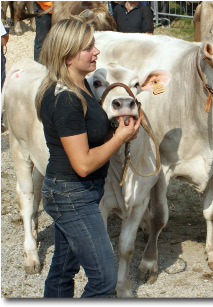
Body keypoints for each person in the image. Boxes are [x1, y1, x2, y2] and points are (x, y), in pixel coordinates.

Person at [35, 17, 140, 297]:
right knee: (105, 281)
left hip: (78, 192)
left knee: (62, 269)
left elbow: (90, 135)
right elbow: (82, 164)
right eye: (88, 48)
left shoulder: (82, 87)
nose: (96, 52)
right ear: (67, 56)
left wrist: (118, 128)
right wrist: (120, 138)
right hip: (72, 195)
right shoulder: (65, 98)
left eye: (93, 45)